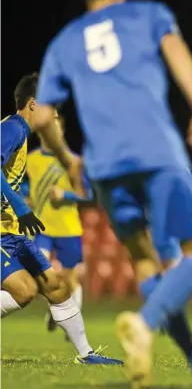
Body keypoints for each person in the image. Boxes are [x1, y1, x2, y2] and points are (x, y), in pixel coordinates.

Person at [33, 0, 192, 388]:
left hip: (104, 166)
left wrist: (68, 160)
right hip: (156, 152)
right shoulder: (150, 14)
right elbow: (177, 54)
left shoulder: (64, 41)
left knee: (146, 261)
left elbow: (43, 116)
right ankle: (145, 324)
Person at [1, 73, 123, 366]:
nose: (54, 112)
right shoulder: (14, 128)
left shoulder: (19, 132)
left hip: (11, 231)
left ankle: (87, 354)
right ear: (33, 103)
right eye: (50, 105)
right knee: (24, 290)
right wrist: (20, 206)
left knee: (54, 285)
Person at [22, 113, 93, 338]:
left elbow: (88, 195)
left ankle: (64, 317)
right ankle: (60, 308)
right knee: (39, 273)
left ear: (61, 132)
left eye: (56, 127)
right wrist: (24, 198)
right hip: (41, 229)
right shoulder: (30, 160)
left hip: (68, 228)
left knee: (70, 280)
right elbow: (20, 187)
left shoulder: (73, 162)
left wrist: (66, 195)